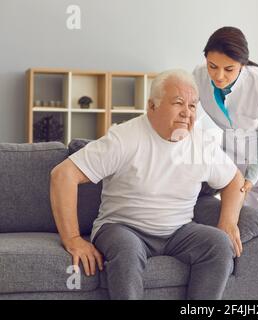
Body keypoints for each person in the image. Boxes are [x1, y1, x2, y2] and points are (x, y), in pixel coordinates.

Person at [50, 69, 246, 300]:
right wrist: (73, 239)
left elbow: (234, 180)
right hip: (122, 227)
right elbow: (63, 175)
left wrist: (228, 222)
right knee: (127, 250)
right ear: (152, 106)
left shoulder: (202, 144)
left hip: (179, 230)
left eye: (193, 106)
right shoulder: (124, 138)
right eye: (178, 103)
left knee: (219, 244)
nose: (187, 113)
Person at [193, 26, 258, 300]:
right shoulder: (198, 78)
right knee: (248, 229)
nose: (218, 76)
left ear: (242, 64)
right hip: (238, 161)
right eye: (212, 66)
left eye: (228, 69)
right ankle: (252, 294)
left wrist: (249, 179)